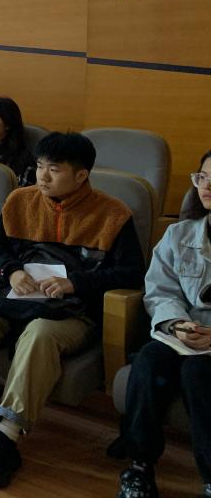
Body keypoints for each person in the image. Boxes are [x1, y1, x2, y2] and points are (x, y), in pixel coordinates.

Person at [0, 132, 144, 489]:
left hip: (72, 311)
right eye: (40, 166)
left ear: (81, 175)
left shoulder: (113, 215)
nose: (42, 176)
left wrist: (75, 282)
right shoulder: (20, 201)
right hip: (14, 298)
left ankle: (7, 435)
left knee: (39, 334)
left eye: (54, 170)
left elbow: (130, 273)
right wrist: (11, 271)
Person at [113, 150, 211, 498]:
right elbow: (159, 290)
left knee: (198, 373)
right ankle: (140, 466)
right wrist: (176, 324)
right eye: (202, 177)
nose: (207, 186)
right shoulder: (178, 235)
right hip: (182, 333)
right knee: (149, 360)